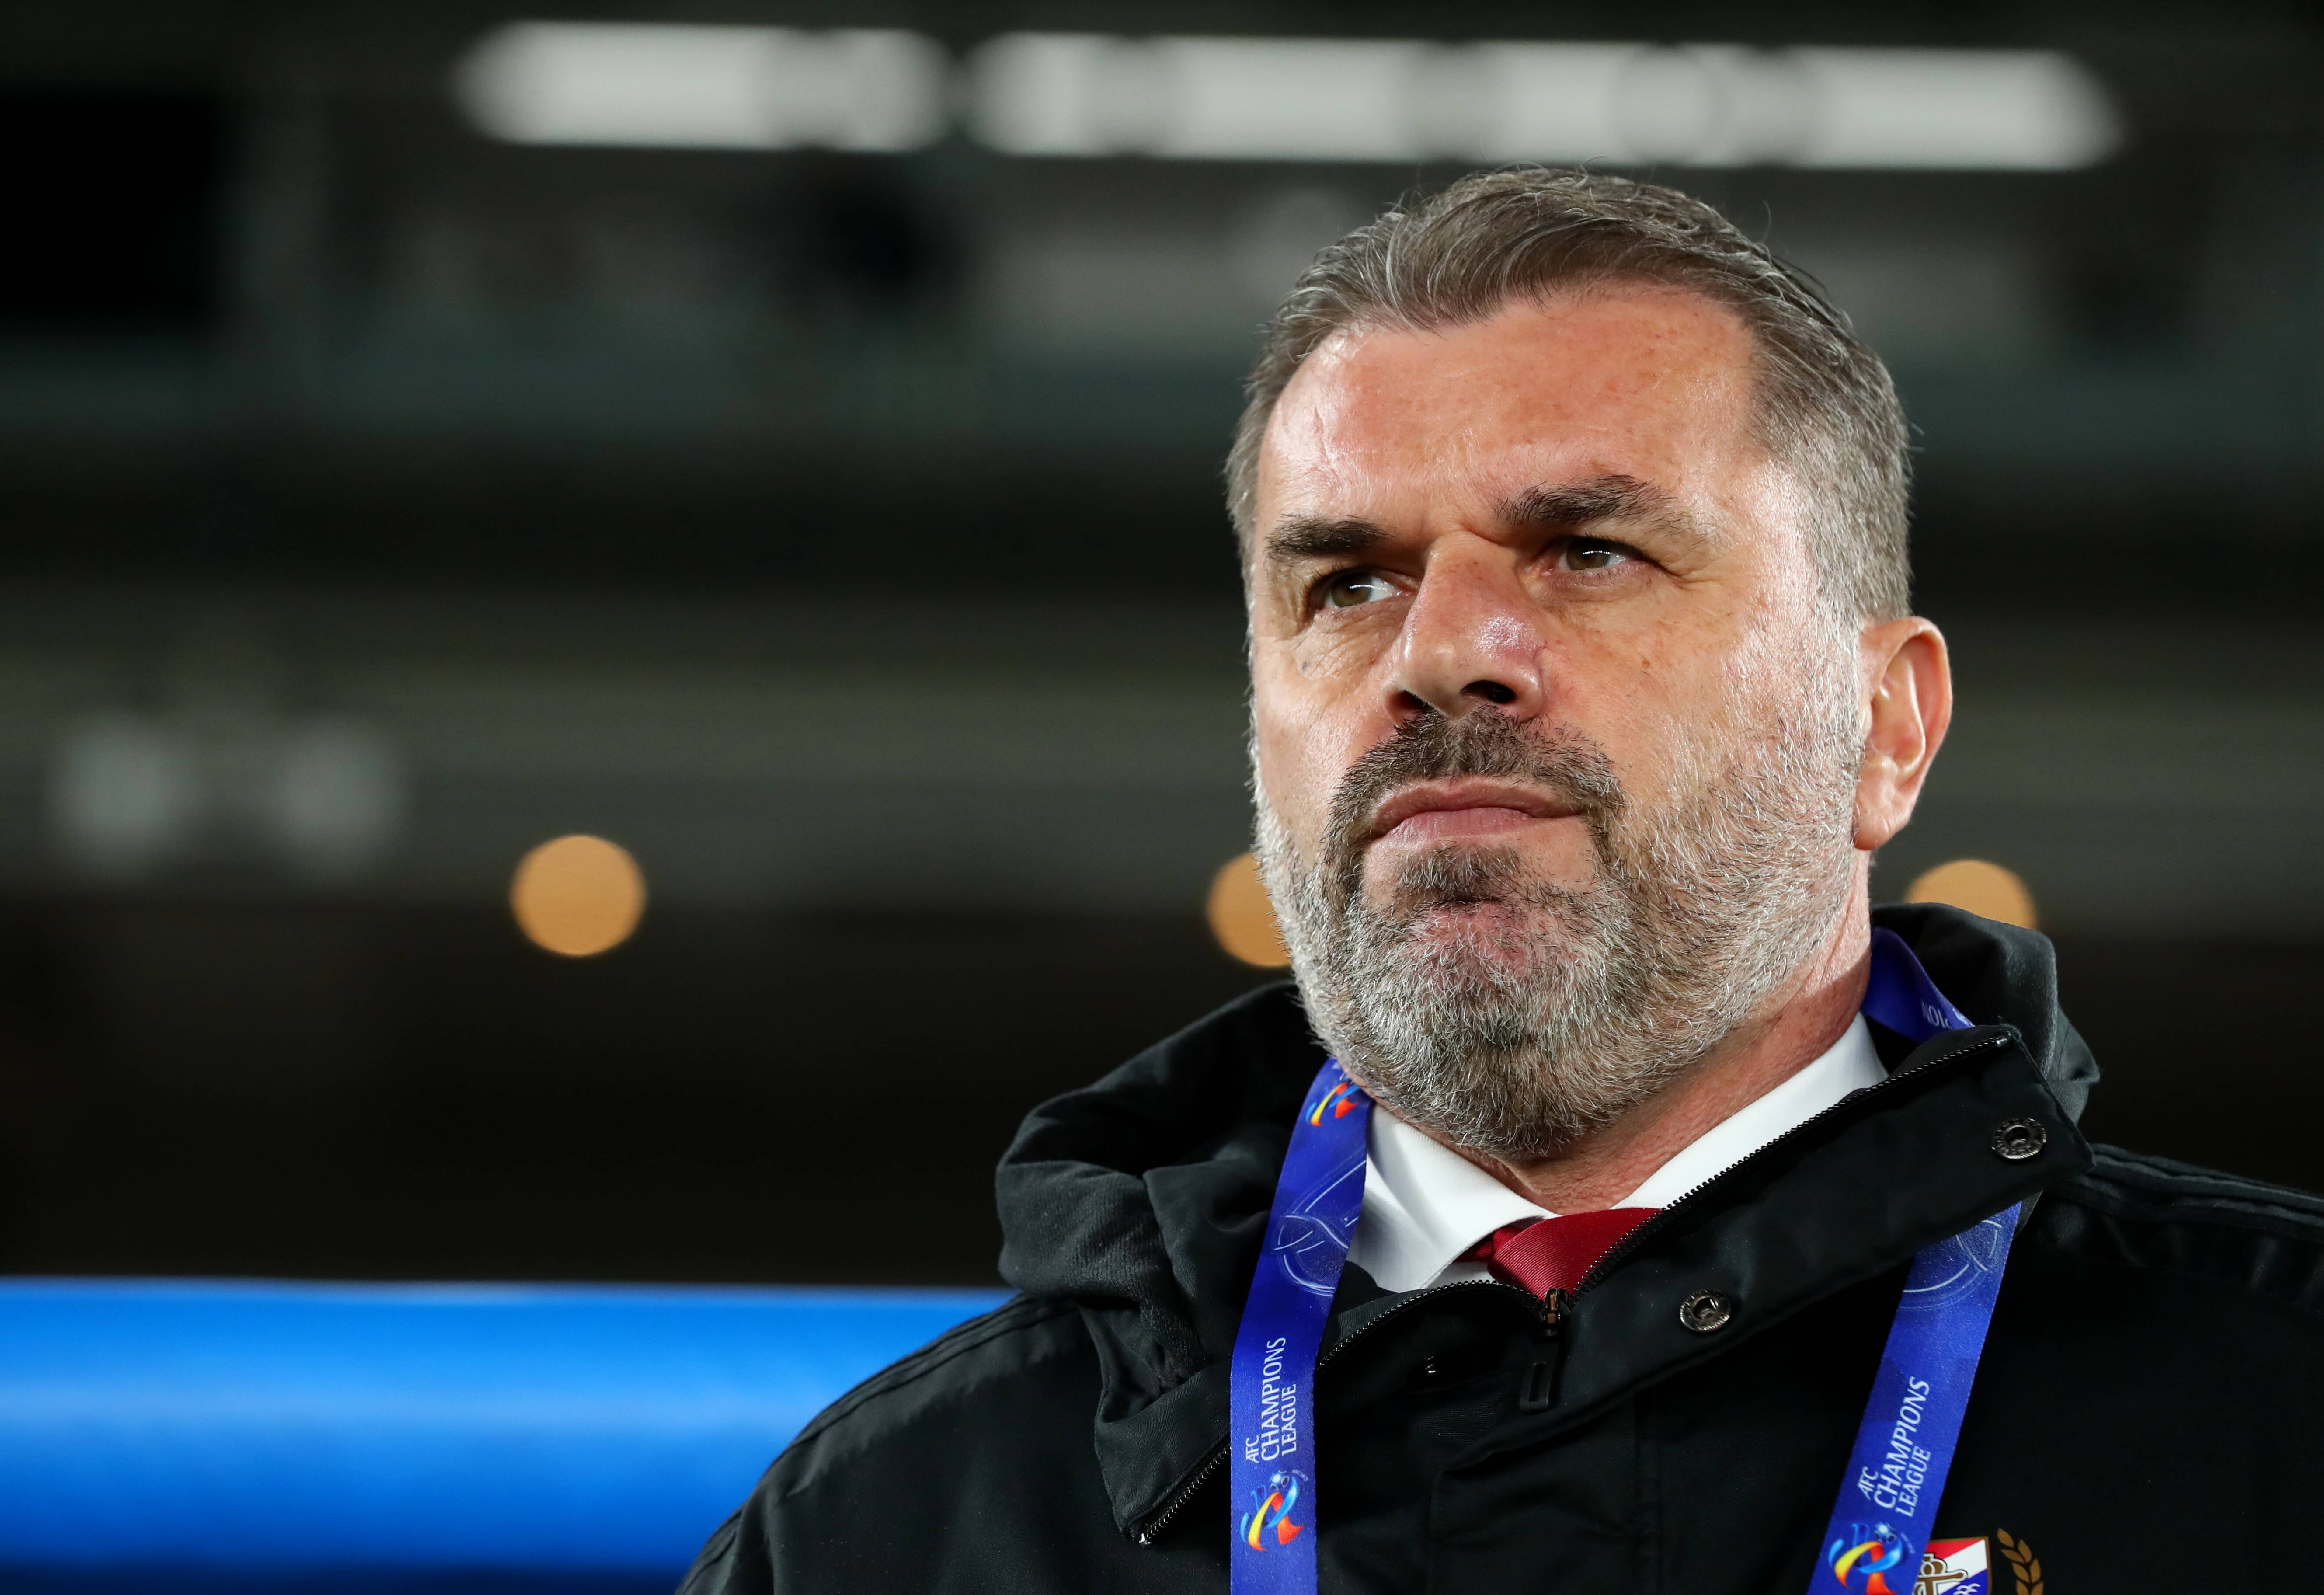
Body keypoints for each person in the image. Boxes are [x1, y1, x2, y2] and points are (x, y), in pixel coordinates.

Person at [678, 169, 2324, 1595]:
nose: (1438, 652)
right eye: (1347, 583)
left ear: (1884, 725)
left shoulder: (2278, 1408)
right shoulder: (887, 1532)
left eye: (1590, 554)